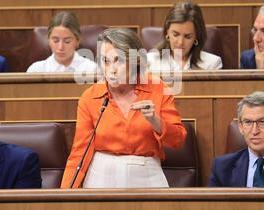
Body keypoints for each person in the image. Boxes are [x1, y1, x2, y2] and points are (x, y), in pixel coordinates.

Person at [61, 28, 186, 188]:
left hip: (146, 176)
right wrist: (64, 197)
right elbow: (79, 153)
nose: (111, 69)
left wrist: (155, 121)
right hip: (101, 177)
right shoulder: (90, 97)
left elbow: (178, 140)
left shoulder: (158, 89)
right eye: (106, 61)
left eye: (118, 60)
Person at [147, 1, 222, 71]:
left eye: (188, 37)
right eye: (175, 35)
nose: (180, 43)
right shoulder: (150, 61)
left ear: (196, 36)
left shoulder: (211, 64)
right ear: (167, 32)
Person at [27, 11, 97, 73]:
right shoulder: (36, 70)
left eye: (67, 41)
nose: (60, 47)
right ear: (49, 40)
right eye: (55, 41)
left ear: (77, 41)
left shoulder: (92, 69)